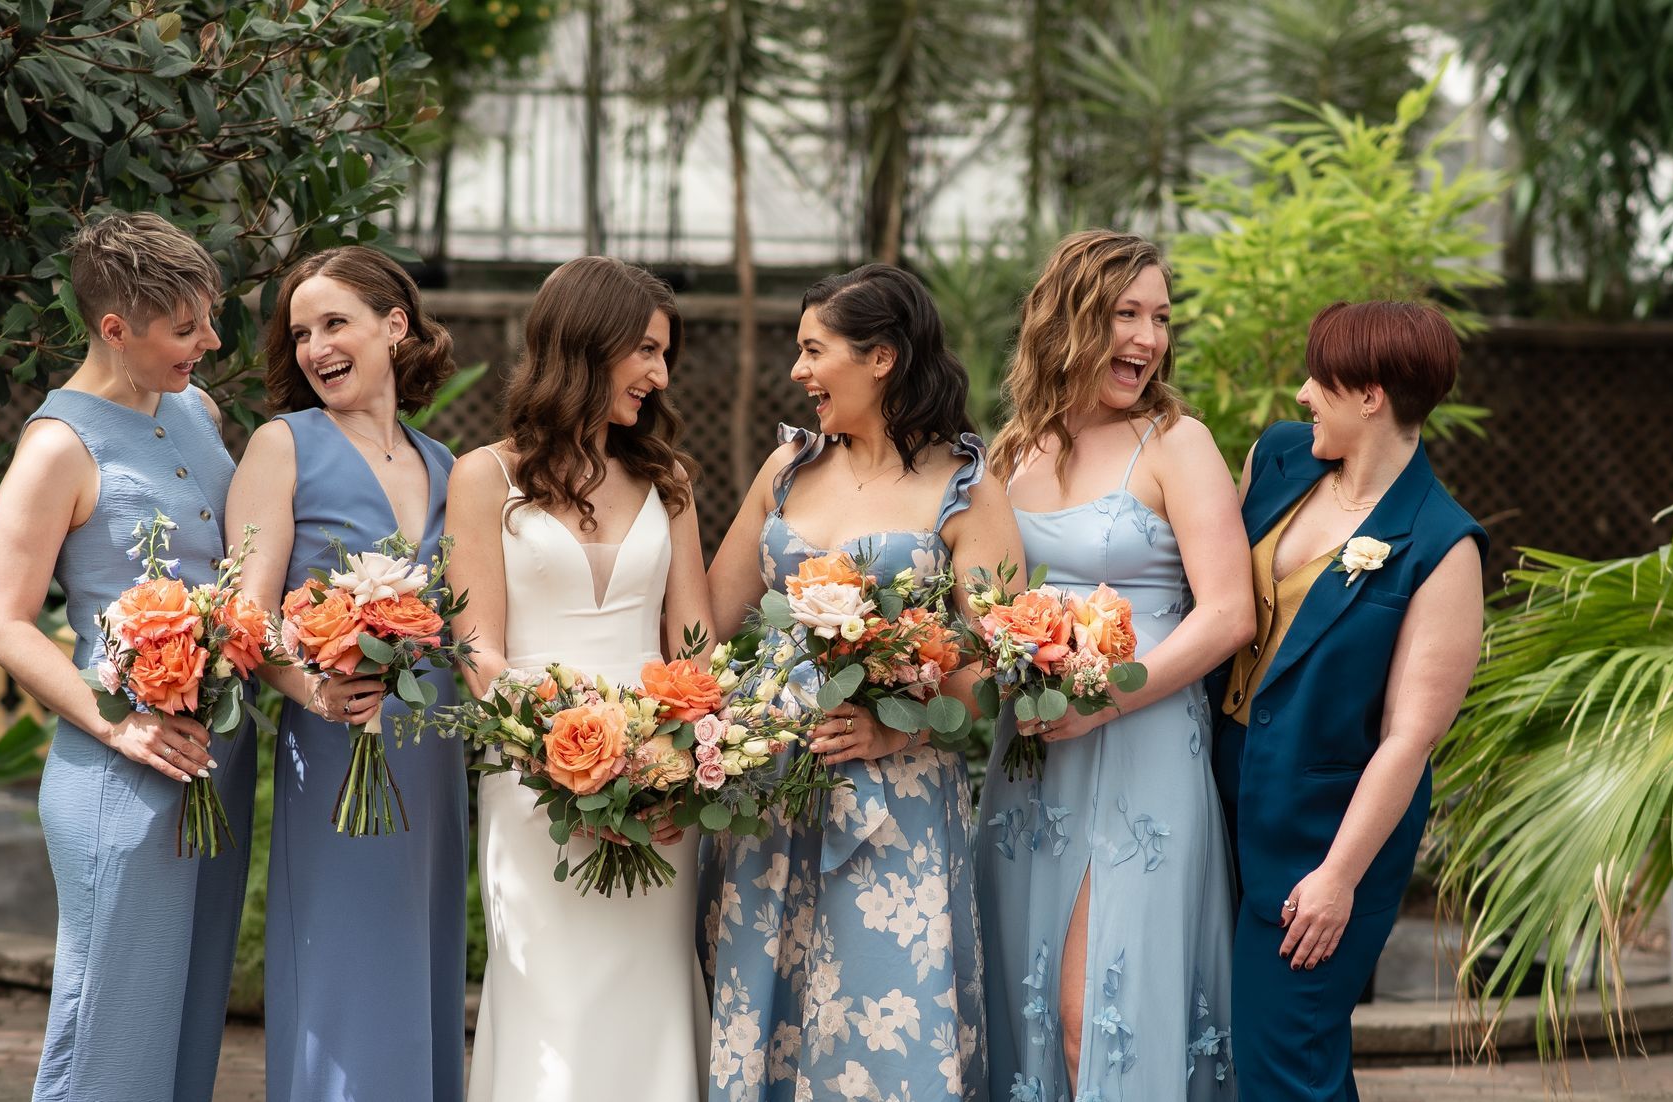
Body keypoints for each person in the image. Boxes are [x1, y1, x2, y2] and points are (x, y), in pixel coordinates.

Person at [700, 263, 1022, 1102]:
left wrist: (899, 728)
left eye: (814, 350)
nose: (798, 371)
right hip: (772, 795)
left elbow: (993, 668)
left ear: (881, 358)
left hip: (900, 806)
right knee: (771, 1014)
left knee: (885, 1029)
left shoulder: (966, 487)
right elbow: (710, 622)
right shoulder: (788, 467)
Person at [0, 211, 250, 1101]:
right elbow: (3, 621)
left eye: (208, 318)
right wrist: (119, 723)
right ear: (114, 329)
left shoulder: (199, 411)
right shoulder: (59, 446)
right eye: (185, 327)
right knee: (110, 1029)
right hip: (120, 770)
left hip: (213, 761)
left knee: (188, 1018)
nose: (209, 341)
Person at [974, 230, 1250, 1101]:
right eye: (1125, 315)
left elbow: (1229, 613)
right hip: (1032, 758)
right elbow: (983, 601)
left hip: (1143, 746)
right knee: (1025, 1004)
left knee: (1093, 1006)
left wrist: (1105, 702)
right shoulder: (1011, 453)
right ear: (1069, 320)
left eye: (1161, 318)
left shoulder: (1176, 443)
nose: (1148, 339)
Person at [446, 256, 713, 1102]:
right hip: (531, 779)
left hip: (661, 777)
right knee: (547, 992)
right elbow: (476, 647)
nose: (659, 374)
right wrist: (548, 740)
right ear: (587, 343)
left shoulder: (667, 483)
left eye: (664, 354)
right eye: (644, 349)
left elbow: (694, 644)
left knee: (652, 985)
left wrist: (681, 752)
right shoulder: (485, 477)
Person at [1210, 300, 1485, 1101]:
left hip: (1323, 836)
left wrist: (1338, 877)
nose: (1300, 394)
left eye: (1319, 382)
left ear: (1370, 396)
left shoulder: (1441, 545)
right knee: (1219, 1048)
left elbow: (1408, 738)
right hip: (1208, 795)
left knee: (1286, 1065)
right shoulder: (1280, 459)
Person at [226, 245, 467, 1101]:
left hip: (431, 761)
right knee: (344, 970)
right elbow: (247, 614)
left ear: (394, 327)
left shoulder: (449, 468)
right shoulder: (281, 446)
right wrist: (314, 688)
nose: (315, 347)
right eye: (300, 333)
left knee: (421, 966)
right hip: (336, 751)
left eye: (335, 323)